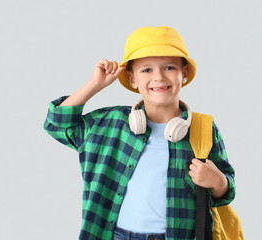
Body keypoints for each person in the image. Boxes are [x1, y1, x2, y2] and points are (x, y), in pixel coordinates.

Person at [43, 26, 235, 240]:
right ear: (132, 79)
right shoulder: (110, 124)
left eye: (169, 67)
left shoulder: (203, 129)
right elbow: (57, 125)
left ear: (185, 74)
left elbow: (227, 188)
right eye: (146, 70)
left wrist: (218, 182)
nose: (159, 77)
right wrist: (95, 84)